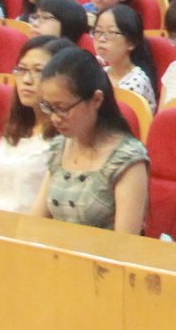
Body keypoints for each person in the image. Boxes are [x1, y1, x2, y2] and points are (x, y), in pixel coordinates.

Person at [29, 49, 150, 232]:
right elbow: (35, 222)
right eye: (49, 107)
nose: (54, 118)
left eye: (62, 108)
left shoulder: (126, 159)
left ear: (96, 100)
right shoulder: (60, 147)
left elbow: (125, 242)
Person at [0, 40, 65, 214]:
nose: (26, 80)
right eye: (21, 70)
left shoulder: (65, 139)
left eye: (38, 71)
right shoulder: (16, 129)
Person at [90, 1, 155, 110]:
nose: (101, 39)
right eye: (98, 31)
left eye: (111, 32)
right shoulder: (101, 72)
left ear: (131, 42)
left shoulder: (136, 81)